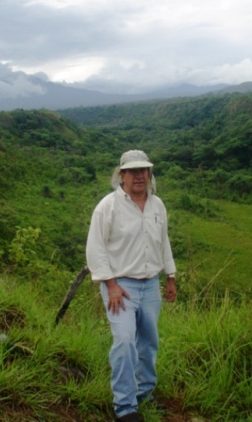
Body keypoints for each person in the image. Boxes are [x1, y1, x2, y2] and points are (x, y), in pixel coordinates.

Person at [86, 150, 177, 422]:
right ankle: (125, 408)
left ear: (149, 174)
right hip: (120, 286)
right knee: (125, 341)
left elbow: (164, 241)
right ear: (122, 175)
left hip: (150, 285)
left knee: (149, 342)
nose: (139, 176)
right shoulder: (108, 206)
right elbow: (95, 248)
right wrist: (111, 285)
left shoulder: (157, 205)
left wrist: (170, 276)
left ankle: (145, 393)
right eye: (133, 171)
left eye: (144, 170)